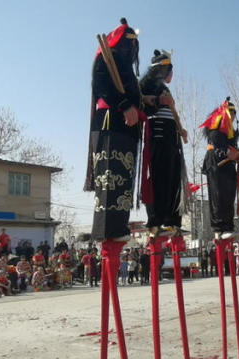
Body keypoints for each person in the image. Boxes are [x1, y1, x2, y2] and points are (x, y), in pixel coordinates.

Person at [84, 18, 142, 246]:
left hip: (126, 127)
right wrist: (125, 105)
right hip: (110, 121)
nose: (133, 49)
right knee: (109, 175)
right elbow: (101, 85)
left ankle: (119, 225)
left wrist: (140, 103)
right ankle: (108, 229)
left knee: (123, 177)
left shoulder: (127, 67)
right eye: (131, 44)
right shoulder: (107, 58)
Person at [140, 49, 187, 236]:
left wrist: (180, 129)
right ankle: (156, 220)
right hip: (157, 137)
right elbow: (142, 107)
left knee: (174, 178)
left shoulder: (165, 88)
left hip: (172, 138)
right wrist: (159, 101)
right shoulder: (146, 85)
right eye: (170, 70)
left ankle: (172, 220)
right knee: (159, 178)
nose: (172, 75)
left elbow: (173, 114)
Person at [200, 98, 239, 239]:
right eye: (232, 113)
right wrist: (228, 152)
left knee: (229, 195)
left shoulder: (231, 131)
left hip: (229, 164)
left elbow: (233, 148)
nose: (234, 117)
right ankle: (219, 228)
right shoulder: (216, 127)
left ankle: (228, 226)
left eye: (235, 114)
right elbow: (217, 145)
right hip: (215, 163)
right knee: (218, 195)